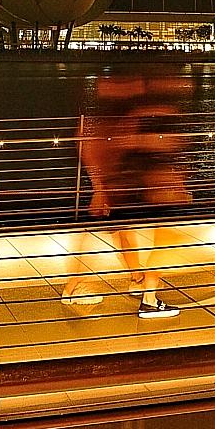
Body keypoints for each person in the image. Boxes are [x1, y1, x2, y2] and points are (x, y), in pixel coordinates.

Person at [73, 76, 191, 319]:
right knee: (164, 238)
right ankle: (147, 298)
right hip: (139, 188)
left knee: (120, 233)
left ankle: (137, 281)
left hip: (128, 188)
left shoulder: (127, 116)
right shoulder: (134, 116)